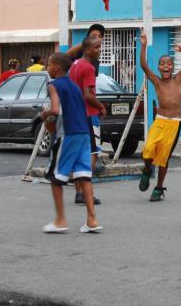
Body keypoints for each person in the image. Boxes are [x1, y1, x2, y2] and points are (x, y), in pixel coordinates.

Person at [40, 52, 102, 234]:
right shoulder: (74, 86)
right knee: (84, 176)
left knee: (55, 176)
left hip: (67, 134)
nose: (47, 68)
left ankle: (60, 220)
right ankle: (91, 219)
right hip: (84, 133)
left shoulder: (53, 85)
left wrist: (44, 114)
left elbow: (56, 109)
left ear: (57, 67)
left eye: (49, 64)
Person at [137, 29, 181, 202]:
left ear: (172, 67)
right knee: (147, 151)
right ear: (158, 68)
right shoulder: (156, 81)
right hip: (160, 121)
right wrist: (144, 45)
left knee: (163, 157)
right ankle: (147, 170)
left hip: (175, 123)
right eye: (162, 64)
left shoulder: (178, 79)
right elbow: (143, 65)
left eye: (169, 64)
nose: (166, 66)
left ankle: (159, 188)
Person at [69, 36, 106, 206]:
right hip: (88, 115)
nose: (99, 50)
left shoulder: (75, 65)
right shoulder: (89, 67)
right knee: (91, 154)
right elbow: (88, 95)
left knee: (78, 154)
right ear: (87, 49)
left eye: (100, 47)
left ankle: (78, 192)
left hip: (75, 114)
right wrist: (101, 107)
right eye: (97, 47)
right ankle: (86, 191)